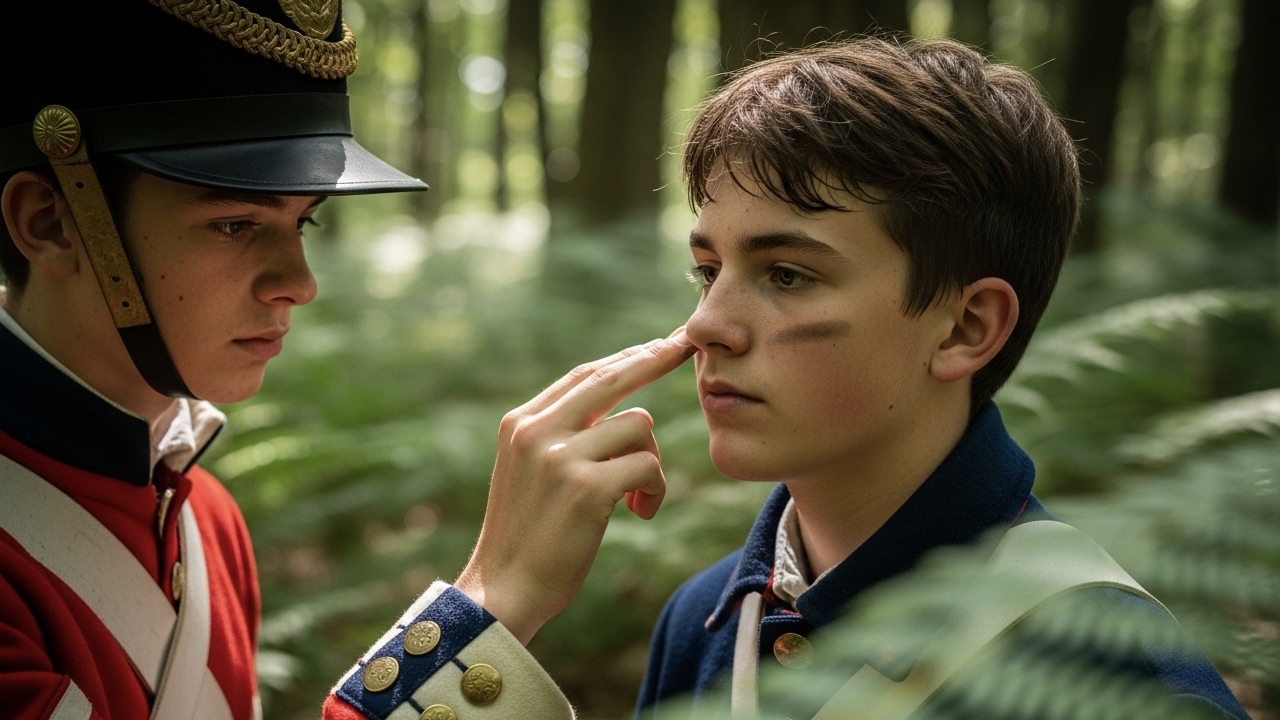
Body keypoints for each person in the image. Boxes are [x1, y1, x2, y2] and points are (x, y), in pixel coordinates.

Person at [0, 1, 690, 718]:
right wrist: (493, 599)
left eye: (304, 221)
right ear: (49, 223)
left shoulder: (205, 516)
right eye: (234, 224)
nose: (299, 284)